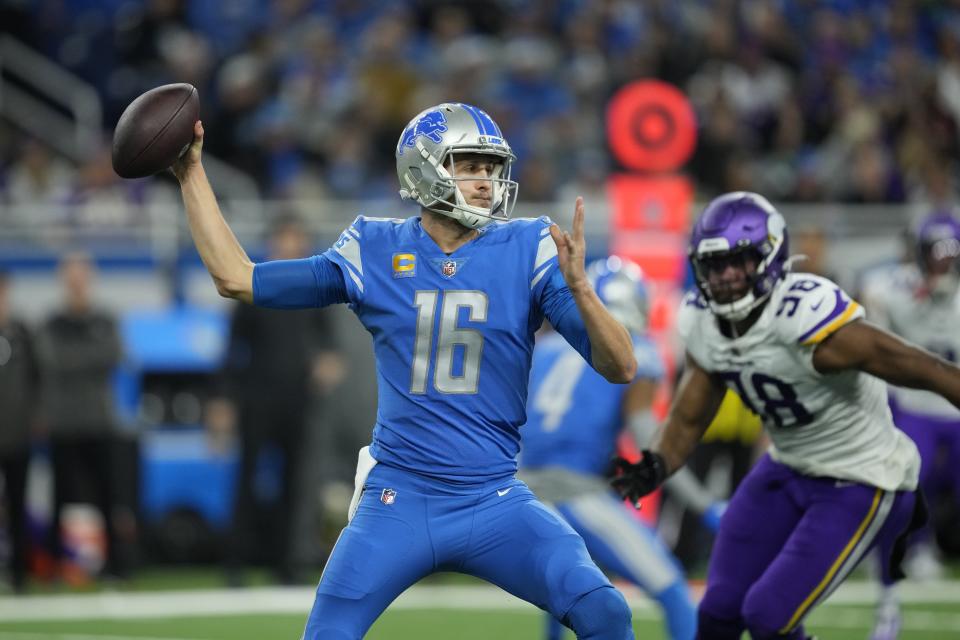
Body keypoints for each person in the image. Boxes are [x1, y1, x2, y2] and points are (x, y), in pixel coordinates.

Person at [171, 103, 638, 640]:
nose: (486, 181)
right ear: (424, 168)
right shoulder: (374, 246)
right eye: (469, 165)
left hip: (494, 498)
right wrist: (191, 172)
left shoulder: (528, 246)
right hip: (399, 499)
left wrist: (581, 289)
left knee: (607, 612)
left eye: (491, 168)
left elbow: (620, 365)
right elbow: (238, 278)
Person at [610, 191, 958, 640]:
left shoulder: (801, 315)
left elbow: (917, 365)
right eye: (716, 264)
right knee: (717, 614)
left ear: (771, 257)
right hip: (788, 465)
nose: (727, 276)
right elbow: (691, 415)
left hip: (858, 475)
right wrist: (657, 463)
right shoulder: (702, 320)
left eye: (740, 261)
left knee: (769, 617)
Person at [519, 256, 725, 640]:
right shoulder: (636, 350)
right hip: (577, 494)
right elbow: (651, 440)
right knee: (673, 591)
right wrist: (703, 504)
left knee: (565, 592)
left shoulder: (546, 349)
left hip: (523, 493)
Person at [212, 213, 342, 586]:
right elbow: (232, 350)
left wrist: (328, 364)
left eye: (297, 239)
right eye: (286, 238)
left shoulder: (311, 291)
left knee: (293, 483)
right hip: (257, 398)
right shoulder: (255, 286)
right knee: (247, 479)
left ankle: (286, 563)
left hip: (298, 399)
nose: (292, 246)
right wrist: (223, 401)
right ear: (274, 243)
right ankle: (235, 562)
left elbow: (328, 345)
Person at [861, 212, 960, 639]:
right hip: (915, 404)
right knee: (901, 491)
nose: (943, 267)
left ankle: (929, 546)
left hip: (955, 409)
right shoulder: (892, 288)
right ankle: (893, 582)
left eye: (950, 258)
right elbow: (872, 336)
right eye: (936, 257)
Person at [36, 252, 129, 581]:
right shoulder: (51, 322)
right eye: (71, 275)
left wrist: (77, 358)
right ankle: (57, 565)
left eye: (81, 275)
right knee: (60, 496)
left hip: (98, 420)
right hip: (63, 422)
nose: (76, 282)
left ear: (89, 278)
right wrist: (89, 356)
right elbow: (51, 360)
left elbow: (115, 354)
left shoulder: (105, 318)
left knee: (108, 496)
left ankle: (116, 565)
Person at [0, 271, 41, 593]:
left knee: (17, 506)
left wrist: (36, 419)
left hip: (16, 436)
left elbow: (39, 379)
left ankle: (19, 575)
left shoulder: (23, 333)